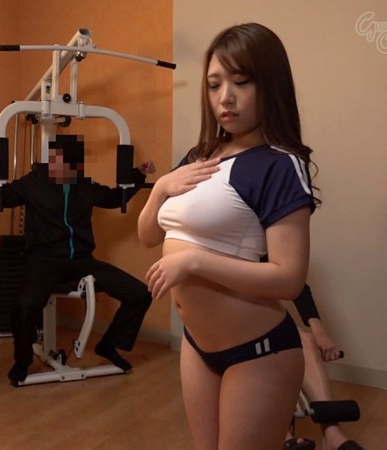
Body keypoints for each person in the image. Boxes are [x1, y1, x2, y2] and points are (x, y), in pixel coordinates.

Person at [138, 23, 317, 449]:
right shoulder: (200, 155)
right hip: (197, 344)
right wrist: (160, 188)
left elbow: (289, 279)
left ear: (270, 85)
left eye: (241, 82)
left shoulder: (278, 164)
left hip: (259, 350)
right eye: (215, 84)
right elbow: (148, 235)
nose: (225, 98)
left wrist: (194, 262)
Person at [0, 134, 156, 384]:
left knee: (140, 294)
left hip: (82, 261)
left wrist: (138, 174)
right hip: (44, 259)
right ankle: (22, 360)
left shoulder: (83, 185)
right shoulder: (33, 182)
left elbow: (116, 198)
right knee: (25, 304)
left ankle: (108, 345)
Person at [286, 285, 365, 450]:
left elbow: (297, 286)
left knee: (305, 341)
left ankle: (332, 433)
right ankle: (284, 438)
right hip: (234, 331)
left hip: (264, 320)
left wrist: (319, 331)